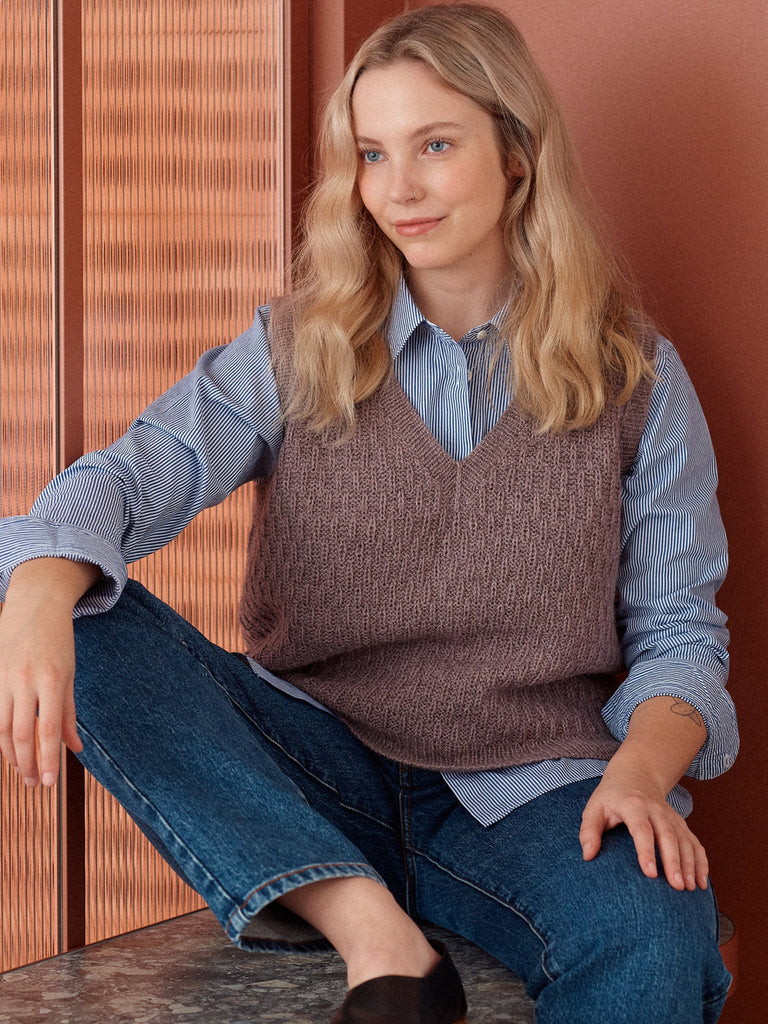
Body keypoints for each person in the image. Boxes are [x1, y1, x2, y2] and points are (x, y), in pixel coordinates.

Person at [0, 5, 737, 1022]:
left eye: (436, 145)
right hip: (310, 762)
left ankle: (388, 915)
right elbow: (128, 479)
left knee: (657, 930)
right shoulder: (296, 349)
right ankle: (373, 935)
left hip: (530, 790)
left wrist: (644, 776)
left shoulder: (637, 378)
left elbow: (679, 632)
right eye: (372, 153)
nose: (399, 188)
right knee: (68, 593)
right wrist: (36, 595)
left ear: (517, 154)